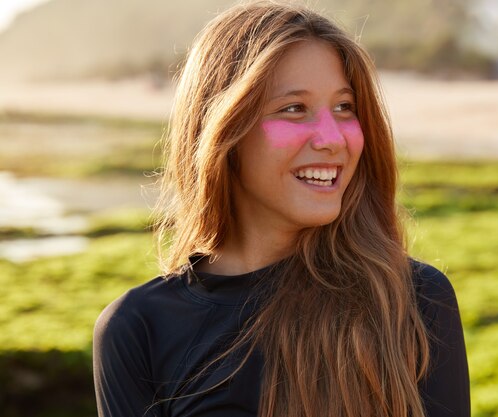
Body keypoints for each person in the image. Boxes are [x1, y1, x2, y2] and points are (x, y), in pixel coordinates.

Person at [92, 2, 470, 417]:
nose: (333, 139)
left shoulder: (411, 299)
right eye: (294, 108)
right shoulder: (138, 328)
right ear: (223, 130)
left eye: (345, 107)